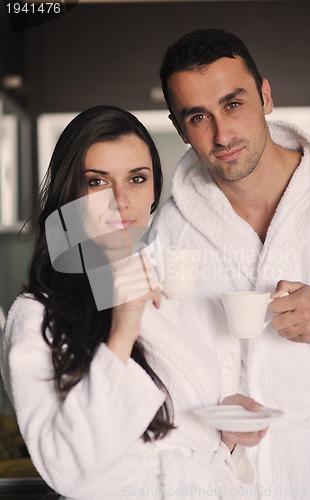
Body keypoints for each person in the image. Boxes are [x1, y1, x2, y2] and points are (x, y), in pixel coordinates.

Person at [0, 105, 266, 499]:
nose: (120, 200)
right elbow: (65, 469)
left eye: (137, 179)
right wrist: (123, 328)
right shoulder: (37, 315)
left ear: (154, 192)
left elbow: (184, 441)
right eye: (96, 182)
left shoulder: (173, 296)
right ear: (67, 195)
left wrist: (225, 428)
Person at [153, 29, 310, 498]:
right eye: (198, 116)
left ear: (265, 96)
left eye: (233, 104)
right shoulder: (172, 231)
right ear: (180, 128)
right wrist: (208, 410)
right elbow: (160, 364)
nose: (222, 134)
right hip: (234, 481)